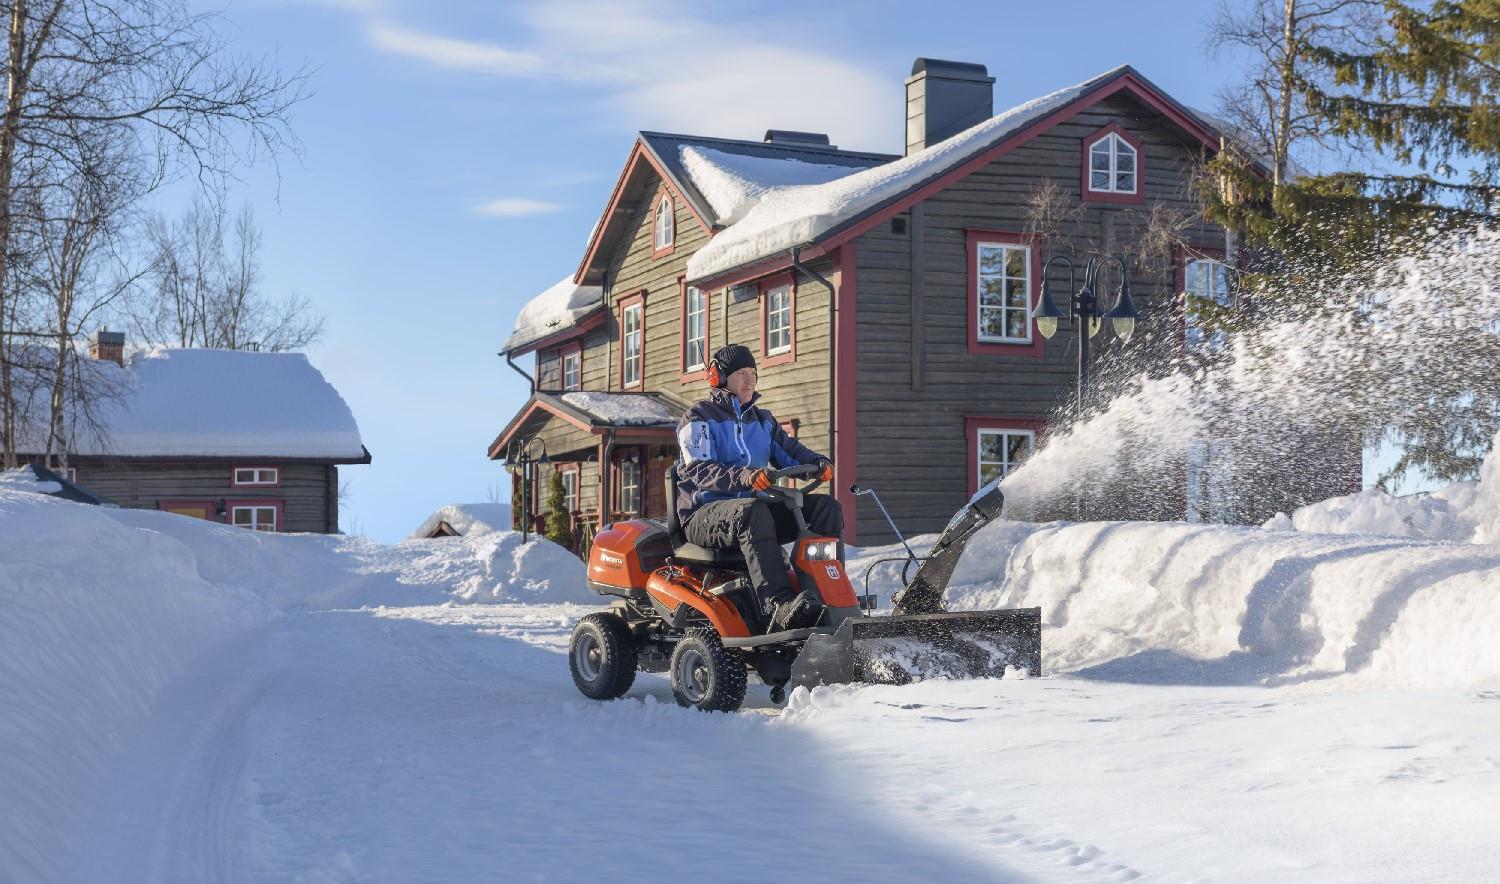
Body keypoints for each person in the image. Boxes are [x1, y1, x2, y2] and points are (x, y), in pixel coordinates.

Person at [675, 343, 843, 633]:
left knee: (825, 508)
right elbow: (699, 470)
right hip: (703, 514)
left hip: (751, 513)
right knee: (753, 511)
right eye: (741, 373)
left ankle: (827, 595)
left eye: (753, 373)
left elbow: (792, 452)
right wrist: (746, 477)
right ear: (719, 378)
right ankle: (779, 604)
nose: (750, 379)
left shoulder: (763, 421)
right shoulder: (698, 418)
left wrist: (819, 463)